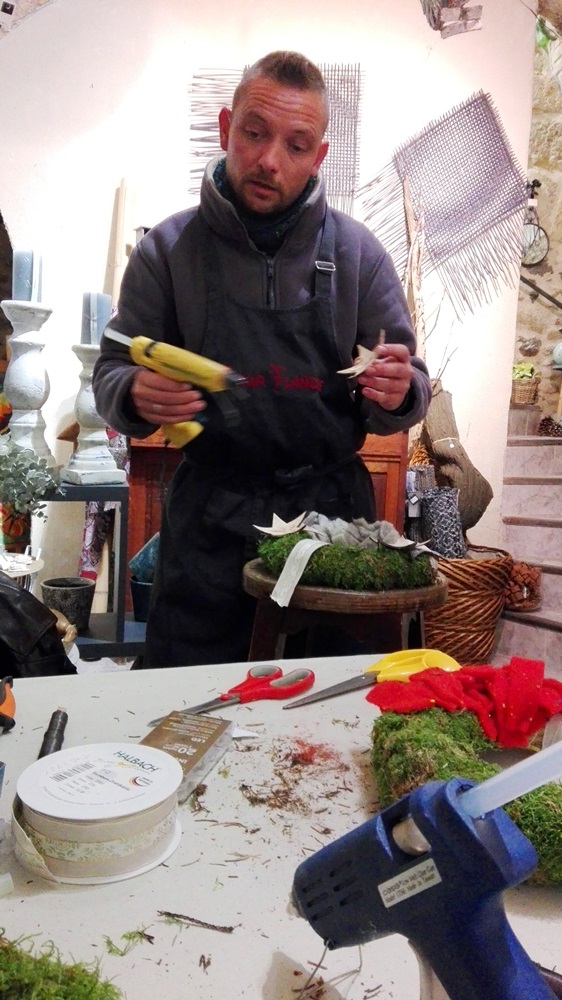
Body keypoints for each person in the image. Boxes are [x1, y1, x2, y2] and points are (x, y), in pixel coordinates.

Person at [93, 50, 432, 668]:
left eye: (296, 145)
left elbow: (411, 386)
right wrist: (133, 392)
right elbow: (110, 371)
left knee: (328, 706)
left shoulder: (358, 256)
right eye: (254, 133)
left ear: (318, 156)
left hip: (331, 530)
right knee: (187, 699)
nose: (269, 160)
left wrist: (397, 390)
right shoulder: (168, 251)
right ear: (226, 128)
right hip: (210, 524)